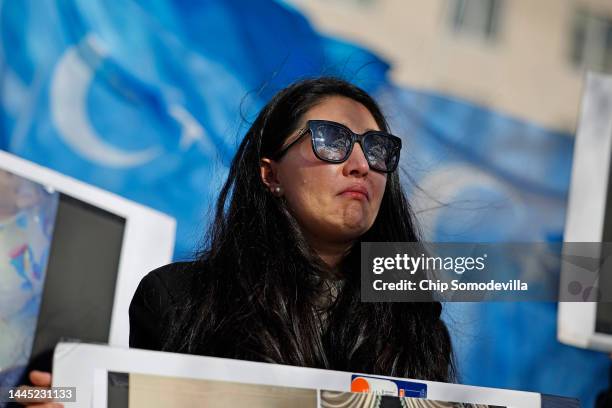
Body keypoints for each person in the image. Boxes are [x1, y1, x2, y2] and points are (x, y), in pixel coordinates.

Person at [20, 77, 454, 407]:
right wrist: (54, 396)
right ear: (270, 173)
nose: (361, 164)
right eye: (332, 141)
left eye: (378, 149)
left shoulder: (416, 325)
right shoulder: (180, 300)